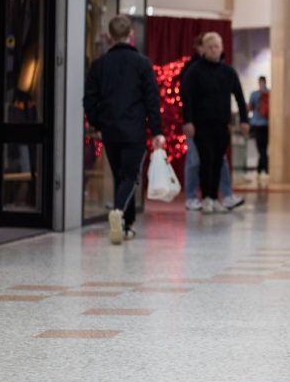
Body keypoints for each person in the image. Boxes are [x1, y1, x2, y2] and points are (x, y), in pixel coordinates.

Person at [83, 15, 164, 244]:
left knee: (121, 174)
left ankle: (126, 225)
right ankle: (118, 211)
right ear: (131, 35)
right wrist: (157, 130)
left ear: (108, 36)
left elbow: (89, 100)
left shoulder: (99, 66)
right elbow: (151, 100)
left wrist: (97, 124)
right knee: (130, 175)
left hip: (110, 130)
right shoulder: (142, 63)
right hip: (134, 129)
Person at [181, 32, 249, 214]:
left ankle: (215, 197)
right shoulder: (194, 71)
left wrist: (244, 120)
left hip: (221, 125)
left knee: (218, 161)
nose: (213, 50)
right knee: (205, 161)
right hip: (200, 125)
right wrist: (187, 121)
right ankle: (206, 198)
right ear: (203, 49)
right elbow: (187, 98)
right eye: (210, 47)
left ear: (221, 48)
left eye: (216, 46)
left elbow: (240, 97)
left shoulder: (228, 72)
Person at [249, 75, 270, 183]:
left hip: (257, 124)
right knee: (264, 148)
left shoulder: (254, 94)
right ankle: (262, 169)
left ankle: (263, 170)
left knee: (260, 148)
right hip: (267, 124)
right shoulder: (270, 93)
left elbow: (250, 107)